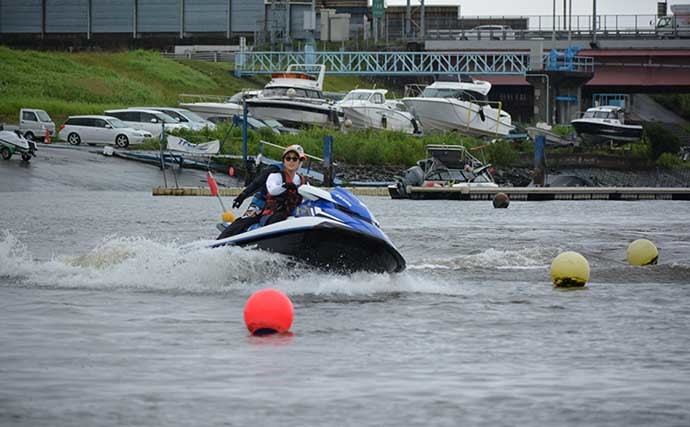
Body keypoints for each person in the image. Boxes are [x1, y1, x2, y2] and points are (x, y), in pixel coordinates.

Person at [217, 145, 308, 239]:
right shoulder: (274, 170)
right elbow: (257, 183)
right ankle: (220, 240)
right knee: (247, 220)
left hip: (281, 206)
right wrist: (242, 196)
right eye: (289, 158)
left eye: (297, 159)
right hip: (262, 202)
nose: (292, 161)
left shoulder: (300, 178)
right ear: (284, 160)